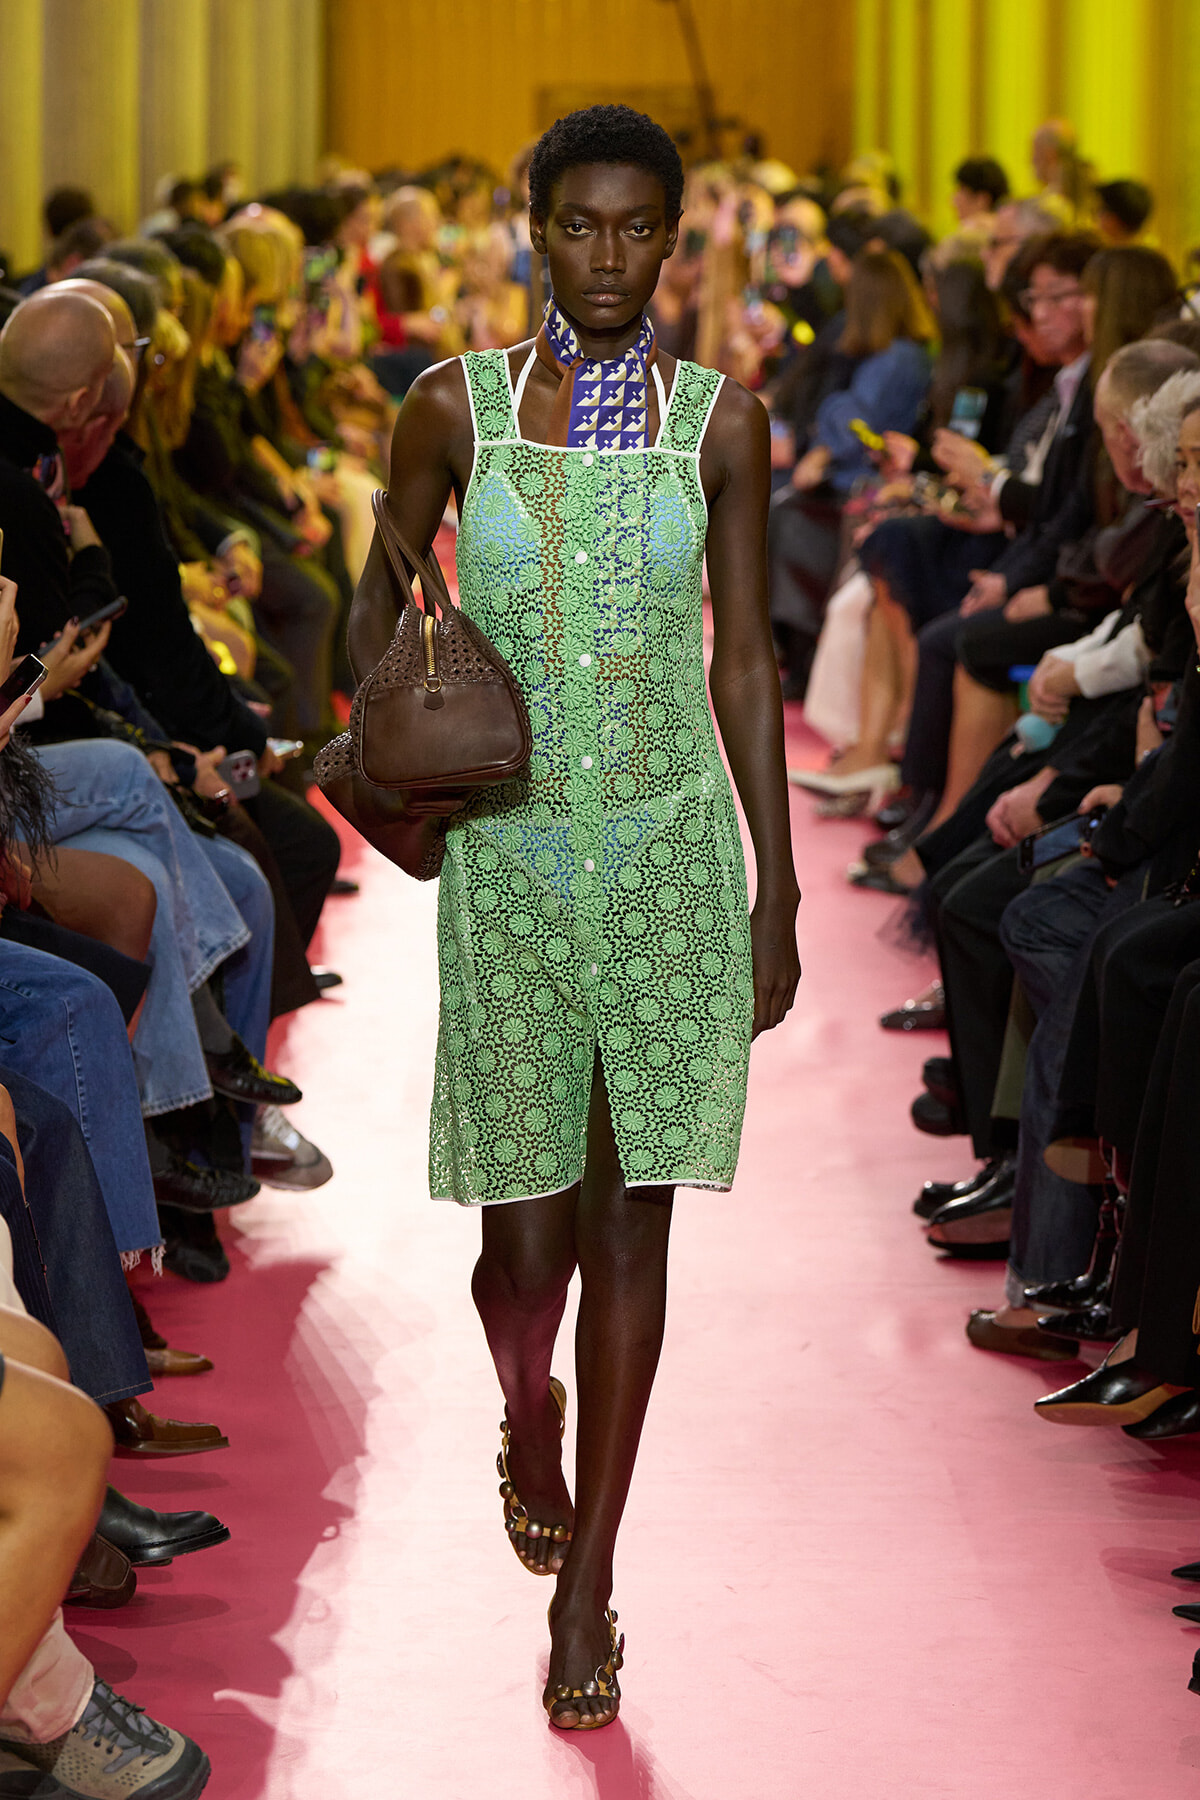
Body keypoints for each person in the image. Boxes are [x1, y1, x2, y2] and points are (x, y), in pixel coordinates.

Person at [348, 104, 801, 1731]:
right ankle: (524, 1409)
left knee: (633, 1226)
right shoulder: (448, 406)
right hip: (516, 867)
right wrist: (391, 646)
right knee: (519, 1247)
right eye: (579, 228)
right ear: (534, 231)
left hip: (675, 854)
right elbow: (376, 597)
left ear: (674, 240)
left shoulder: (722, 424)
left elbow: (741, 660)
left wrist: (779, 881)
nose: (608, 258)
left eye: (638, 231)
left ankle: (594, 1574)